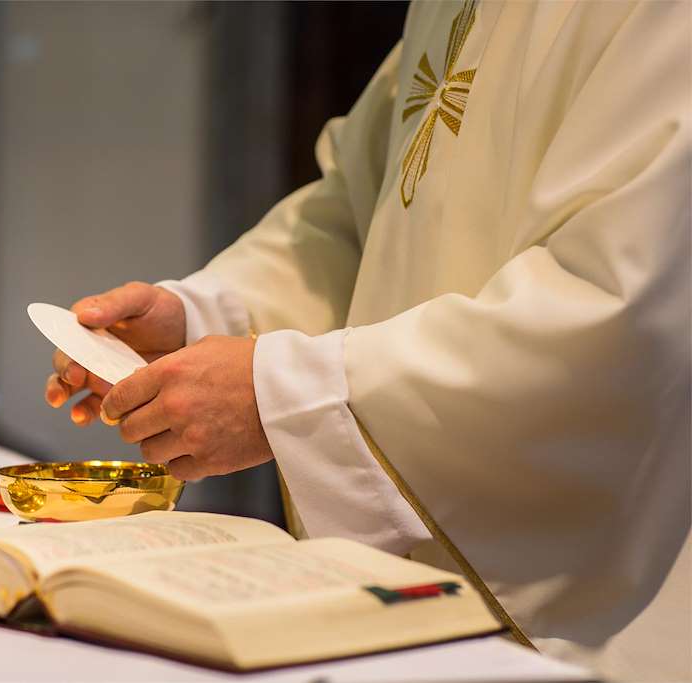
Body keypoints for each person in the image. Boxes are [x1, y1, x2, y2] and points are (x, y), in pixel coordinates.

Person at [43, 1, 690, 679]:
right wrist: (203, 318)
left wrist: (281, 389)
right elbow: (364, 215)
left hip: (598, 608)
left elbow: (620, 308)